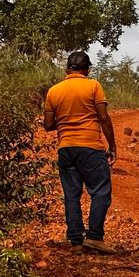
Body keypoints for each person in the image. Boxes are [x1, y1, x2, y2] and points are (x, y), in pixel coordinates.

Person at [42, 50, 117, 254]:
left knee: (71, 195)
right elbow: (103, 117)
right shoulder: (93, 86)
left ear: (67, 68)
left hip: (65, 148)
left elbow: (48, 125)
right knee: (100, 191)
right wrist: (112, 146)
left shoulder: (54, 91)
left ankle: (76, 242)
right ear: (87, 69)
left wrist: (66, 119)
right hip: (90, 147)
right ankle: (94, 237)